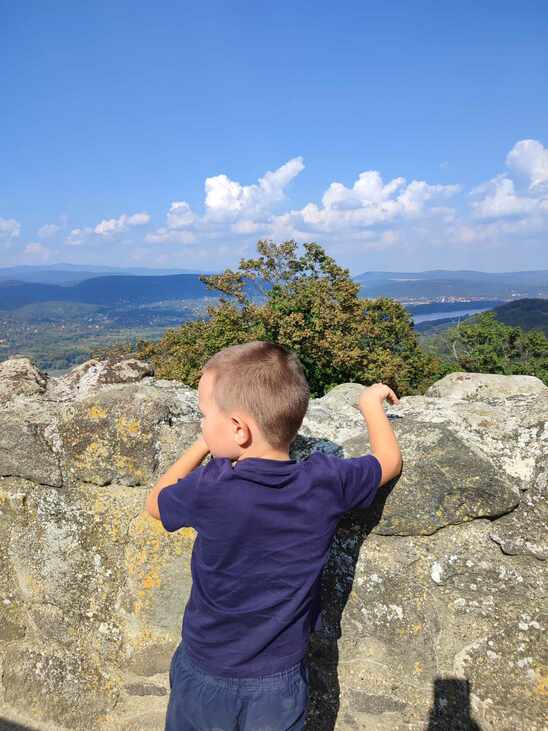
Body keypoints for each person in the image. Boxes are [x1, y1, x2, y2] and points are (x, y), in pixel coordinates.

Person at [145, 340, 402, 731]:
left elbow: (157, 502)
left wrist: (203, 446)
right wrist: (370, 405)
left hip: (206, 668)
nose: (201, 424)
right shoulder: (325, 482)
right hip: (280, 678)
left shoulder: (212, 487)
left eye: (204, 416)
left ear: (239, 430)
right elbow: (388, 461)